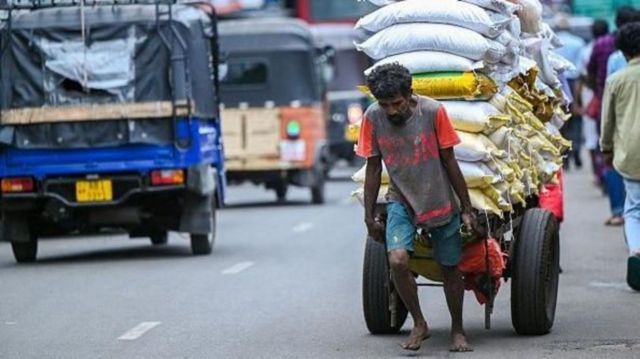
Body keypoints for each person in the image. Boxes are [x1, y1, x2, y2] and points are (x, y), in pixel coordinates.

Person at [357, 63, 476, 352]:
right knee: (397, 261)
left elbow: (450, 161)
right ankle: (419, 323)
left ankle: (457, 330)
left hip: (438, 199)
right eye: (384, 104)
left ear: (410, 94)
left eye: (396, 103)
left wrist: (467, 208)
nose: (391, 111)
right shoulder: (373, 117)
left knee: (449, 268)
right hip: (400, 199)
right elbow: (373, 169)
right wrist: (369, 214)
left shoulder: (434, 112)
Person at [588, 6, 637, 227]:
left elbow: (609, 106)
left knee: (620, 172)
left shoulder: (614, 63)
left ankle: (618, 211)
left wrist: (605, 146)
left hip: (622, 124)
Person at [600, 22, 640, 291]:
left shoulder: (616, 80)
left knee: (635, 209)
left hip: (630, 154)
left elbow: (608, 121)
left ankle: (637, 252)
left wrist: (605, 148)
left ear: (624, 52)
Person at [575, 19, 609, 187]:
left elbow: (583, 76)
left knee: (591, 135)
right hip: (604, 93)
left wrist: (577, 100)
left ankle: (598, 171)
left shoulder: (587, 50)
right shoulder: (615, 47)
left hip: (593, 94)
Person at [554, 14, 586, 170]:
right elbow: (580, 70)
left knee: (560, 121)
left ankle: (564, 156)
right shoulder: (578, 43)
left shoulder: (552, 41)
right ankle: (577, 151)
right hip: (574, 82)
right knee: (576, 121)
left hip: (556, 83)